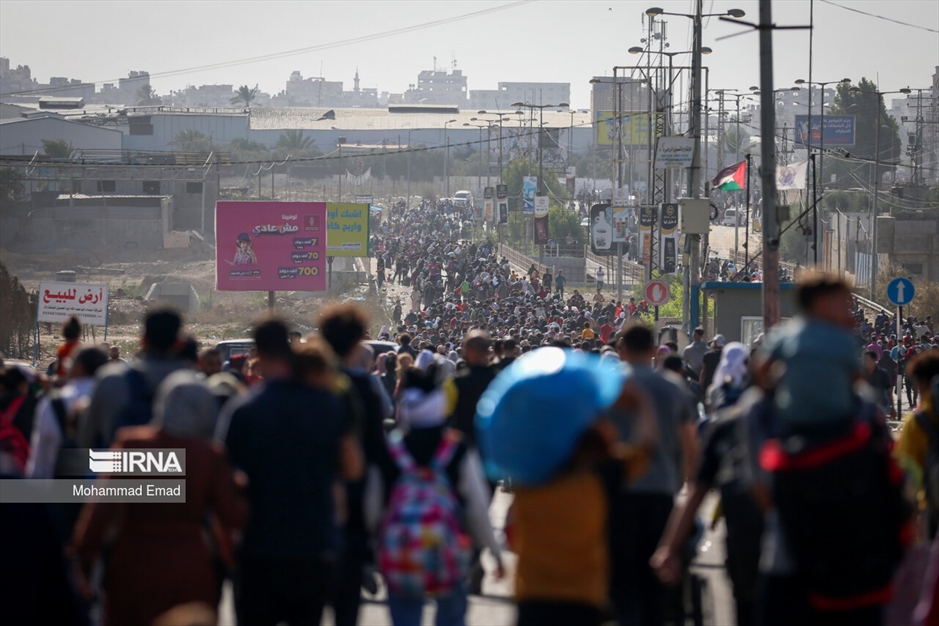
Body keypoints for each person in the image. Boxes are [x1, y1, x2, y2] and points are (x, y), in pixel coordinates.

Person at [475, 348, 657, 626]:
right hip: (584, 600)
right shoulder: (602, 475)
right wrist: (642, 403)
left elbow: (511, 534)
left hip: (532, 598)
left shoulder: (528, 481)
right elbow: (646, 447)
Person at [217, 318, 363, 626]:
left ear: (256, 352)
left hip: (259, 547)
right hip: (314, 546)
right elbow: (352, 468)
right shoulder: (328, 405)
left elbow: (224, 480)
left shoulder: (244, 410)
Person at [72, 370, 247, 626]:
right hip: (189, 567)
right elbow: (232, 516)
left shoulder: (131, 444)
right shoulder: (210, 456)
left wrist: (82, 561)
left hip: (134, 564)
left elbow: (101, 509)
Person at [365, 365, 504, 626]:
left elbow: (372, 506)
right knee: (451, 612)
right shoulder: (456, 448)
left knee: (405, 614)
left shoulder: (391, 449)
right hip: (447, 550)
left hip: (401, 550)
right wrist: (493, 551)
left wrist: (370, 550)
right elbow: (476, 506)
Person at [611, 324, 698, 626]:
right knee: (657, 582)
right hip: (661, 493)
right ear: (653, 351)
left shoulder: (604, 386)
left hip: (616, 496)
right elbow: (690, 447)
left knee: (621, 580)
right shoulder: (674, 388)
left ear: (621, 350)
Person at [319, 305, 393, 626]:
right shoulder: (362, 386)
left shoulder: (306, 380)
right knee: (346, 605)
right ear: (355, 345)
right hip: (351, 503)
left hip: (304, 502)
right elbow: (377, 449)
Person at [81, 308, 187, 449]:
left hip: (120, 467)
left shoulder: (111, 380)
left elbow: (85, 439)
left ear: (143, 340)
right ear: (179, 343)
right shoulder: (197, 388)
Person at [864, 350, 894, 417]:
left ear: (874, 360)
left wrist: (893, 408)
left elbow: (889, 391)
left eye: (867, 359)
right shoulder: (862, 373)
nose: (865, 362)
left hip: (880, 405)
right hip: (866, 406)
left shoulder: (882, 373)